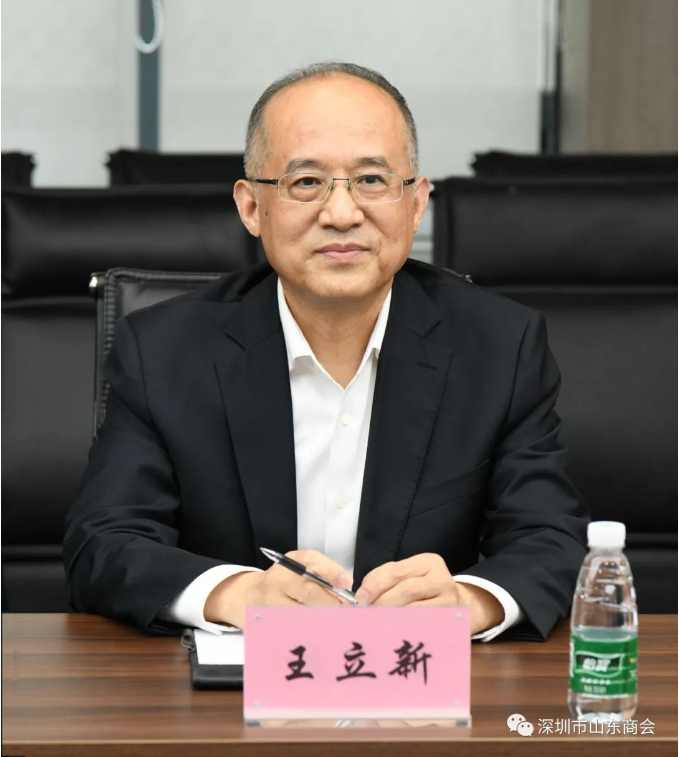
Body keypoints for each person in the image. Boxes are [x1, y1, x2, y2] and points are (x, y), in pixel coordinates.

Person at [64, 62, 588, 641]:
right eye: (307, 183)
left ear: (416, 203)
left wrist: (469, 602)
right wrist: (237, 595)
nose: (342, 214)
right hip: (230, 686)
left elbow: (550, 539)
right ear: (251, 207)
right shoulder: (163, 350)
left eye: (372, 180)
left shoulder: (499, 346)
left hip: (420, 680)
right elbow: (103, 543)